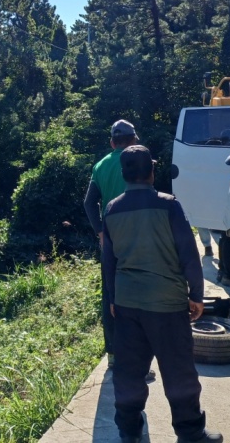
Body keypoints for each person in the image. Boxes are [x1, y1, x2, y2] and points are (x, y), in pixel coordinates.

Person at [102, 145, 223, 443]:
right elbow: (188, 254)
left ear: (124, 174)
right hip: (167, 305)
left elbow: (109, 261)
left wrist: (114, 299)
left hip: (128, 304)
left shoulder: (112, 209)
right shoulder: (170, 205)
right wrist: (196, 294)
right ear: (152, 172)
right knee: (179, 372)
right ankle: (191, 433)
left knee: (129, 373)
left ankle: (129, 432)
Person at [84, 119, 140, 369]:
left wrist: (99, 232)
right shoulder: (138, 161)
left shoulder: (100, 165)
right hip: (138, 239)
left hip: (110, 240)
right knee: (138, 296)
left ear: (111, 142)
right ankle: (137, 357)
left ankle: (114, 356)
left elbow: (89, 203)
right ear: (134, 140)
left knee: (110, 296)